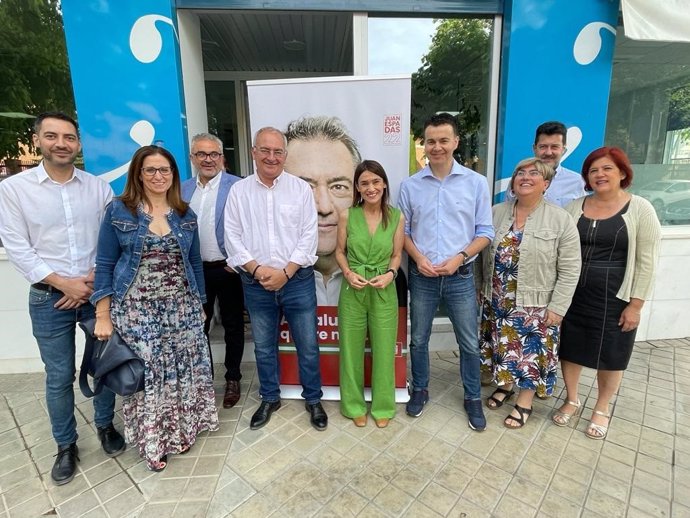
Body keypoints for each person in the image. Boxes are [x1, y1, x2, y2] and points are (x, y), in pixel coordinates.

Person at [0, 112, 124, 485]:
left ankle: (105, 426)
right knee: (58, 376)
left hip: (94, 292)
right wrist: (62, 284)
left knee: (104, 365)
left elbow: (110, 242)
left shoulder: (97, 189)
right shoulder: (15, 190)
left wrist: (87, 282)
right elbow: (17, 247)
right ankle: (65, 445)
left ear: (78, 144)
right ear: (38, 139)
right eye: (52, 136)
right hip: (48, 297)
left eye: (69, 137)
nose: (61, 143)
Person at [91, 145, 219, 471]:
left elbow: (193, 262)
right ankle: (154, 443)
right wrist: (102, 314)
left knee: (182, 374)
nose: (158, 176)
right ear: (138, 174)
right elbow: (105, 263)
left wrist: (200, 304)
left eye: (165, 170)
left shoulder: (185, 213)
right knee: (151, 375)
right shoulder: (120, 212)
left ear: (174, 175)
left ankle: (181, 433)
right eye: (150, 170)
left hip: (182, 308)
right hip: (137, 310)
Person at [224, 127, 327, 431]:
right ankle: (269, 397)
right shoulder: (239, 192)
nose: (271, 157)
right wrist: (257, 270)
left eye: (278, 151)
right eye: (265, 150)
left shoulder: (299, 190)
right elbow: (232, 237)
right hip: (256, 284)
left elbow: (309, 237)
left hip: (296, 281)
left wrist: (285, 273)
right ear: (254, 152)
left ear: (285, 155)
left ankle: (313, 399)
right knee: (264, 347)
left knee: (308, 345)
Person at [554, 146, 661, 440]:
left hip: (617, 296)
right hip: (574, 293)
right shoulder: (574, 207)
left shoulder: (640, 208)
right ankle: (572, 399)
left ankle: (602, 407)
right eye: (593, 170)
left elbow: (647, 261)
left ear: (623, 173)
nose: (599, 174)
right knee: (571, 348)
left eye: (607, 169)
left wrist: (635, 305)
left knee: (613, 353)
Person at [398, 112, 494, 431]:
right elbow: (404, 233)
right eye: (430, 141)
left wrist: (460, 256)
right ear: (423, 144)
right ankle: (421, 389)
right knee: (419, 339)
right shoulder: (410, 186)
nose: (436, 146)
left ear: (455, 142)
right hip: (422, 278)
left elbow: (485, 232)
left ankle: (471, 398)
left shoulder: (475, 183)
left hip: (460, 277)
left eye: (443, 140)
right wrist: (417, 258)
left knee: (468, 342)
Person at [479, 158, 581, 428]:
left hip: (536, 303)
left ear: (546, 183)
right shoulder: (497, 211)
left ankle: (525, 401)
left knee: (530, 355)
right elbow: (483, 253)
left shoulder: (561, 219)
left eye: (534, 173)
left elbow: (571, 268)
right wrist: (481, 286)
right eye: (520, 172)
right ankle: (506, 386)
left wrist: (558, 306)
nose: (525, 177)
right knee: (504, 348)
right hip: (499, 299)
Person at [335, 160, 404, 428]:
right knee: (350, 350)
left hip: (384, 291)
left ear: (384, 184)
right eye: (364, 183)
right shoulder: (347, 215)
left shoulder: (397, 217)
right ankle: (353, 405)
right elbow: (339, 251)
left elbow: (397, 255)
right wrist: (348, 273)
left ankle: (383, 406)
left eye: (376, 181)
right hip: (353, 289)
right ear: (357, 187)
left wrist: (390, 274)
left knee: (384, 350)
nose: (371, 187)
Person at [181, 133, 245, 409]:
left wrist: (239, 262)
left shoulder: (238, 186)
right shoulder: (181, 190)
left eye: (213, 154)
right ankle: (204, 381)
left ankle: (233, 377)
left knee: (232, 325)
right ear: (193, 158)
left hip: (228, 269)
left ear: (222, 157)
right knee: (199, 327)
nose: (208, 159)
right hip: (195, 271)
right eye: (201, 154)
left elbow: (251, 227)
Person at [284, 115, 361, 305]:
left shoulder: (383, 275)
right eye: (305, 187)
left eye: (338, 187)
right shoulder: (271, 280)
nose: (324, 207)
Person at [505, 121, 586, 208]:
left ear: (563, 150)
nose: (548, 153)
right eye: (543, 146)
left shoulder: (577, 182)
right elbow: (508, 213)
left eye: (554, 147)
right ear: (534, 149)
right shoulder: (520, 180)